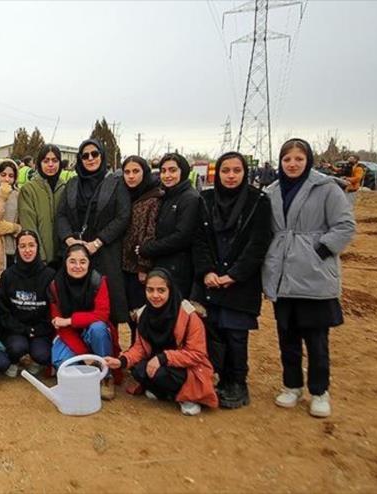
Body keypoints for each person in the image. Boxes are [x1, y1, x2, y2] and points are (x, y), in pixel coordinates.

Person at [262, 138, 355, 418]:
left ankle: (319, 390)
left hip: (313, 275)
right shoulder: (271, 191)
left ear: (308, 161)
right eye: (287, 159)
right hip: (282, 273)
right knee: (286, 335)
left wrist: (321, 250)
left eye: (298, 159)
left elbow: (345, 225)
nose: (292, 164)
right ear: (280, 162)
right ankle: (291, 386)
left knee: (316, 338)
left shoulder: (325, 188)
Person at [192, 152, 272, 409]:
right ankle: (220, 379)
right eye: (225, 170)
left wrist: (234, 274)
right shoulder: (206, 200)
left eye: (236, 171)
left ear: (244, 172)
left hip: (240, 282)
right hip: (211, 279)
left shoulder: (257, 201)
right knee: (213, 331)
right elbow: (199, 240)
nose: (230, 176)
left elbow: (258, 243)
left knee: (236, 333)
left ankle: (238, 383)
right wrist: (207, 271)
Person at [104, 269, 219, 416]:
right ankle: (166, 393)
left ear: (170, 290)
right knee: (138, 370)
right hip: (157, 363)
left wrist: (163, 358)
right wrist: (121, 361)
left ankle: (188, 397)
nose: (155, 295)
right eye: (150, 290)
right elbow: (139, 348)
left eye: (161, 290)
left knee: (160, 374)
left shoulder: (189, 316)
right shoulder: (144, 314)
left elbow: (197, 354)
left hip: (186, 367)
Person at [56, 138, 131, 327]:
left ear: (102, 155)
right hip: (76, 249)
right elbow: (62, 214)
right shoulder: (72, 183)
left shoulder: (116, 182)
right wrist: (69, 240)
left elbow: (122, 216)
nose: (90, 158)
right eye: (85, 155)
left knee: (108, 299)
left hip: (105, 249)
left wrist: (98, 242)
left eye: (95, 154)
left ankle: (109, 343)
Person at [48, 244, 120, 399]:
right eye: (72, 261)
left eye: (82, 261)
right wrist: (85, 355)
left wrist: (69, 320)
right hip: (70, 334)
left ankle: (105, 375)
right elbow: (59, 326)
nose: (77, 266)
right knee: (61, 363)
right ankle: (89, 372)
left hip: (93, 333)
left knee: (98, 328)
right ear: (65, 262)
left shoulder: (98, 281)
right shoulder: (55, 286)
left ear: (89, 263)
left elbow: (102, 315)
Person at [138, 152, 201, 301]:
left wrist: (147, 249)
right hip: (163, 266)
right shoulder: (166, 195)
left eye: (173, 170)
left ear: (183, 171)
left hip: (179, 270)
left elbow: (182, 237)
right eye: (163, 171)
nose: (167, 175)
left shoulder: (190, 198)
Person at [0, 230, 56, 377]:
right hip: (16, 330)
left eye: (31, 245)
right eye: (22, 246)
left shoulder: (49, 275)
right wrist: (24, 330)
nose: (27, 250)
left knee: (42, 354)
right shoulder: (8, 275)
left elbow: (53, 309)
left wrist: (36, 331)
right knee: (17, 347)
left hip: (41, 331)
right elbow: (3, 310)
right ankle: (14, 360)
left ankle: (36, 360)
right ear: (17, 249)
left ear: (37, 247)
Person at [120, 155, 164, 343]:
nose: (131, 176)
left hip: (141, 267)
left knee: (143, 312)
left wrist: (143, 267)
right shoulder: (125, 194)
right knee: (131, 312)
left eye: (135, 171)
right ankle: (135, 347)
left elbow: (150, 233)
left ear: (144, 172)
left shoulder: (154, 197)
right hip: (125, 264)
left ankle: (143, 350)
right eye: (127, 172)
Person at [18, 144, 67, 267]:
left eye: (55, 160)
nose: (50, 165)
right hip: (40, 261)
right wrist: (40, 256)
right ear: (39, 163)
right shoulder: (29, 189)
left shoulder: (65, 187)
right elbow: (29, 225)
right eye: (46, 161)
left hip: (63, 258)